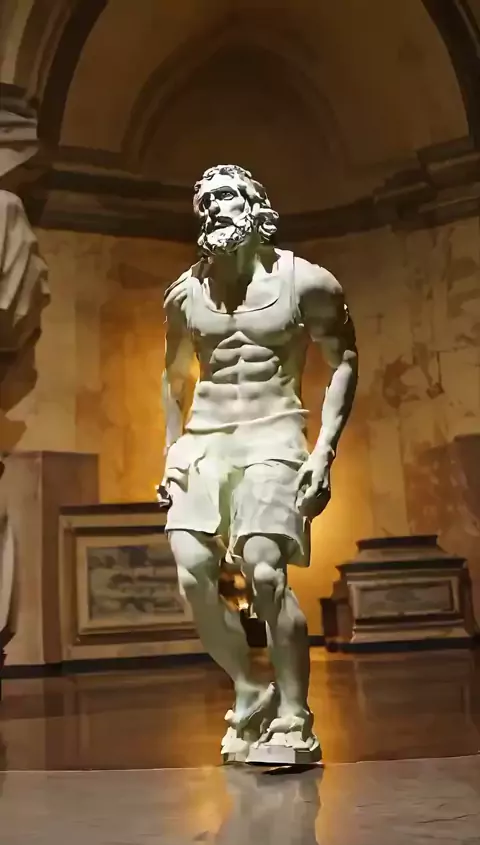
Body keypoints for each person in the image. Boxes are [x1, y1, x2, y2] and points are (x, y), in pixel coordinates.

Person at [158, 164, 358, 761]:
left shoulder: (307, 282)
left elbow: (344, 361)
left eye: (224, 196)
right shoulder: (185, 293)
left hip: (274, 435)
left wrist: (324, 451)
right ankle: (249, 690)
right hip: (205, 440)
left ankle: (295, 716)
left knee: (265, 573)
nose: (213, 208)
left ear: (254, 204)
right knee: (192, 575)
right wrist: (170, 449)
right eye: (204, 202)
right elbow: (174, 376)